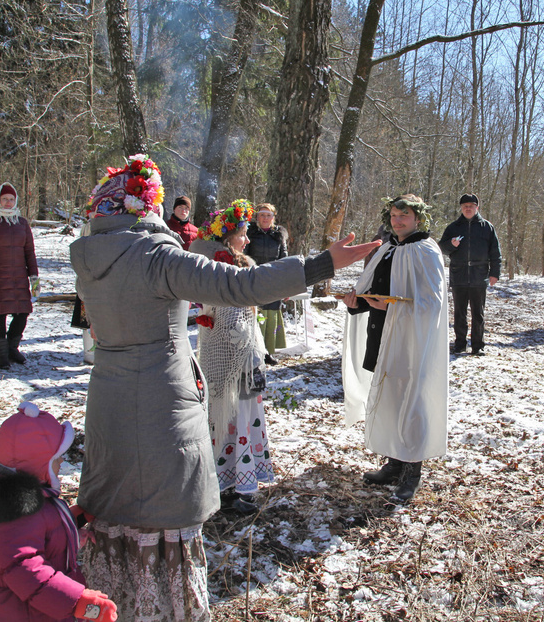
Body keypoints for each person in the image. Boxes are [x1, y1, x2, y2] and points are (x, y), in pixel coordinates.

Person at [70, 154, 378, 621]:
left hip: (107, 396)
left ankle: (116, 602)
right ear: (145, 208)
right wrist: (322, 264)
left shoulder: (90, 258)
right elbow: (243, 285)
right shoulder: (156, 256)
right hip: (160, 399)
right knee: (159, 508)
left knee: (116, 505)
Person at [0, 401, 118, 622]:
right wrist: (78, 602)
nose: (62, 461)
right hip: (23, 613)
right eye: (56, 457)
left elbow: (39, 532)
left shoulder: (22, 502)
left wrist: (73, 525)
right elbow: (26, 569)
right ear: (36, 463)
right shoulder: (10, 515)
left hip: (36, 608)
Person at [342, 194, 449, 504]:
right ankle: (394, 462)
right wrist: (356, 301)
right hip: (383, 335)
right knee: (389, 400)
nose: (397, 220)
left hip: (411, 341)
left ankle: (412, 473)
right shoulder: (387, 248)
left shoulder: (426, 251)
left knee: (411, 402)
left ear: (418, 218)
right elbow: (372, 290)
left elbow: (432, 303)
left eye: (404, 215)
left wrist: (393, 309)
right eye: (393, 215)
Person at [192, 200, 274, 515]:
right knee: (234, 420)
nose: (249, 240)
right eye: (243, 233)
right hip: (234, 361)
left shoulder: (205, 267)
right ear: (229, 238)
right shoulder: (228, 269)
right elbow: (234, 321)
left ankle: (227, 483)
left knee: (224, 420)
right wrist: (251, 352)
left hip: (222, 357)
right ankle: (238, 486)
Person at [0, 182, 40, 370]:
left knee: (23, 312)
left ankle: (12, 348)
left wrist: (34, 276)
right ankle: (2, 355)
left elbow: (29, 251)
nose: (9, 202)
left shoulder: (22, 223)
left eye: (11, 199)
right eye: (5, 199)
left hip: (19, 276)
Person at [437, 193, 502, 355]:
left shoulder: (487, 227)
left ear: (476, 208)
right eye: (465, 206)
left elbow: (495, 252)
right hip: (459, 275)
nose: (468, 208)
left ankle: (478, 345)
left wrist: (495, 273)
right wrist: (451, 245)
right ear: (461, 208)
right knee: (459, 313)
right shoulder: (453, 227)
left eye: (471, 206)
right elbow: (441, 248)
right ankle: (460, 344)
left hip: (479, 276)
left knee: (478, 313)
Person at [244, 202, 289, 365]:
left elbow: (284, 260)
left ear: (273, 218)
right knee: (255, 315)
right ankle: (253, 351)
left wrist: (285, 285)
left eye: (268, 215)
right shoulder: (250, 234)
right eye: (262, 215)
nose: (265, 218)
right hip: (254, 280)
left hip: (273, 281)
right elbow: (243, 257)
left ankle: (268, 352)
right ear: (257, 217)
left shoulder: (279, 236)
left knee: (270, 317)